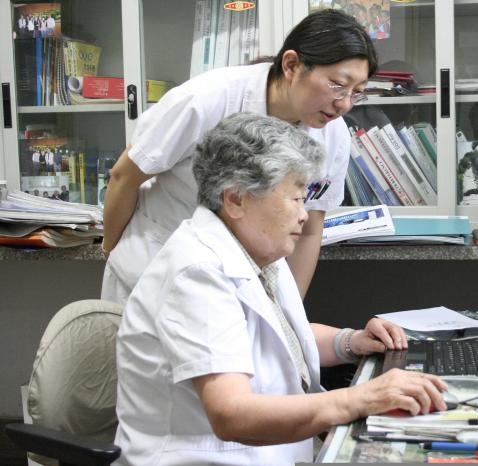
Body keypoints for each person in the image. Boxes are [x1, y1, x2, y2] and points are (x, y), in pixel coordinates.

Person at [114, 113, 447, 466]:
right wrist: (358, 399)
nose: (304, 216)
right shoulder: (197, 273)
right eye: (295, 198)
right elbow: (231, 414)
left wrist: (350, 341)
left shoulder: (258, 252)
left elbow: (278, 342)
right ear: (236, 199)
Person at [101, 9, 377, 305]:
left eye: (357, 92)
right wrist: (110, 251)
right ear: (292, 65)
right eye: (337, 84)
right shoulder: (208, 98)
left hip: (242, 281)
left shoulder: (333, 135)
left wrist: (287, 314)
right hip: (155, 264)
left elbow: (309, 230)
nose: (344, 104)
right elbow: (125, 176)